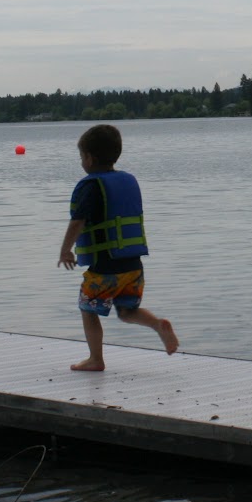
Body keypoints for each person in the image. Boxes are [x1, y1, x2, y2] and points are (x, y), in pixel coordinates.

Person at [57, 124, 178, 371]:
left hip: (104, 267)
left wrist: (65, 250)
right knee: (126, 311)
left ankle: (95, 359)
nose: (82, 162)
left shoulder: (91, 186)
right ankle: (157, 324)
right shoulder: (126, 181)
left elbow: (77, 221)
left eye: (81, 157)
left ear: (89, 158)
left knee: (87, 309)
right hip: (133, 266)